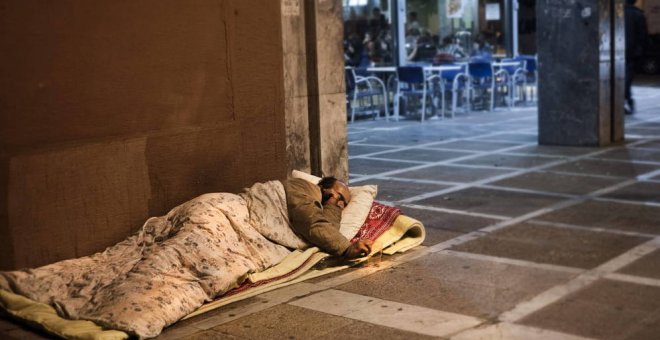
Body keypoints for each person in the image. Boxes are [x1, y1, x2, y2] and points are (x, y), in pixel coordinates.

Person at [284, 176, 373, 259]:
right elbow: (312, 222)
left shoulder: (322, 208)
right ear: (324, 188)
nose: (340, 204)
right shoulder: (302, 187)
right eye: (339, 196)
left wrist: (334, 207)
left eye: (343, 203)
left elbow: (326, 232)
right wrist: (347, 248)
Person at [624, 0, 648, 115]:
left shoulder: (618, 14)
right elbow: (643, 36)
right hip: (631, 52)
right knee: (627, 78)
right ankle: (627, 100)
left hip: (616, 51)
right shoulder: (638, 15)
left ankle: (626, 100)